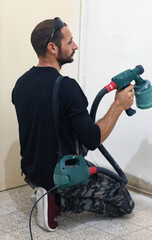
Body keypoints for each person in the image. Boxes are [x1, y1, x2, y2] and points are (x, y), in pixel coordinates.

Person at [12, 17, 135, 232]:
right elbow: (93, 139)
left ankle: (42, 190)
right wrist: (118, 105)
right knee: (123, 200)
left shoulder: (21, 84)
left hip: (32, 171)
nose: (75, 46)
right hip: (60, 175)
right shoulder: (67, 87)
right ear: (52, 47)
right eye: (70, 42)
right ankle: (58, 201)